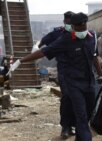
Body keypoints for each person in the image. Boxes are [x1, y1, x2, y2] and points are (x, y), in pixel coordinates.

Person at [7, 12, 102, 141]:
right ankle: (74, 131)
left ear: (86, 24)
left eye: (82, 27)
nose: (80, 30)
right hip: (73, 83)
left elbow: (94, 57)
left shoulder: (92, 37)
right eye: (77, 27)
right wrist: (21, 61)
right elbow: (44, 51)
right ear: (73, 26)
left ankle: (80, 136)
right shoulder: (65, 39)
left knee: (87, 115)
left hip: (89, 83)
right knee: (81, 115)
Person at [31, 11, 76, 139]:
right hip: (64, 69)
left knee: (77, 98)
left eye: (72, 23)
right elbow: (43, 41)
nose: (70, 25)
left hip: (78, 70)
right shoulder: (57, 33)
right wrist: (36, 47)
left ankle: (74, 125)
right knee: (66, 97)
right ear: (64, 22)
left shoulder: (80, 33)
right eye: (68, 22)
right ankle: (65, 127)